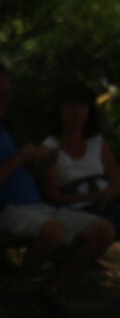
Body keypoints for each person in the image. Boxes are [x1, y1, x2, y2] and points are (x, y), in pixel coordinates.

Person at [0, 61, 115, 317]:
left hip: (37, 207)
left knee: (103, 230)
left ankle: (51, 289)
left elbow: (17, 171)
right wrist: (19, 159)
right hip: (5, 210)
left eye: (8, 94)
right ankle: (18, 290)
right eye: (1, 94)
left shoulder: (0, 131)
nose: (7, 100)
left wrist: (38, 165)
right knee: (53, 232)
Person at [41, 81, 120, 228]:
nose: (77, 112)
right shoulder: (50, 146)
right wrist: (93, 196)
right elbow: (53, 196)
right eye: (71, 105)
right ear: (60, 109)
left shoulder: (98, 143)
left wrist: (108, 195)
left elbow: (117, 183)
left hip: (108, 209)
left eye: (82, 105)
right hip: (73, 214)